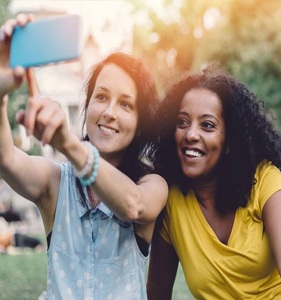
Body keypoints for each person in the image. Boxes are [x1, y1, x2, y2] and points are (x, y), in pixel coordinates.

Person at [0, 15, 168, 299]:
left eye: (126, 104)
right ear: (87, 106)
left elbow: (133, 206)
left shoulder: (151, 184)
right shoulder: (55, 183)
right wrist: (1, 92)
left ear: (140, 123)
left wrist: (67, 143)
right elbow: (6, 159)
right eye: (101, 97)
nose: (110, 112)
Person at [147, 64, 281, 299]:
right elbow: (157, 292)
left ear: (230, 142)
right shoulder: (171, 201)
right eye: (183, 122)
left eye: (207, 125)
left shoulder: (264, 180)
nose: (191, 134)